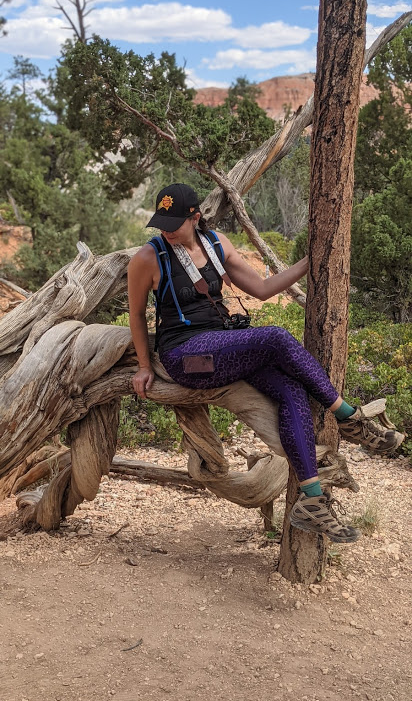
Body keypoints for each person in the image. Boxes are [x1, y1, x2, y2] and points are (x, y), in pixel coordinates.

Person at [128, 183, 404, 544]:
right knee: (274, 338)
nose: (166, 231)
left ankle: (312, 500)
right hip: (186, 358)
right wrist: (144, 366)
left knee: (291, 390)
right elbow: (135, 315)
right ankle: (348, 417)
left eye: (174, 224)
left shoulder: (216, 244)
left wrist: (311, 261)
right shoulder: (149, 258)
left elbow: (262, 289)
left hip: (223, 347)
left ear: (194, 217)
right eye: (161, 224)